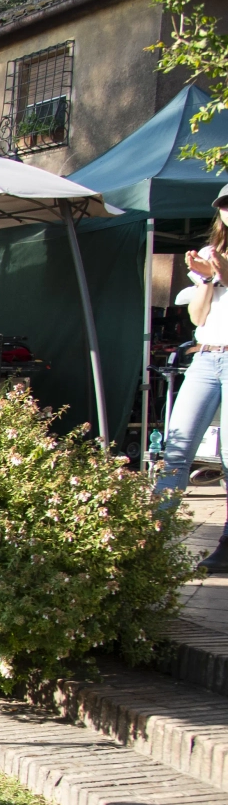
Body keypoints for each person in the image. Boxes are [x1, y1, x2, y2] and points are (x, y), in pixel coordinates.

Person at [160, 184, 228, 572]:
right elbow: (199, 317)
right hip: (206, 358)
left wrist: (222, 273)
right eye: (224, 205)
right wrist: (208, 279)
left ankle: (227, 542)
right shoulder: (207, 256)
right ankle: (153, 533)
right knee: (177, 447)